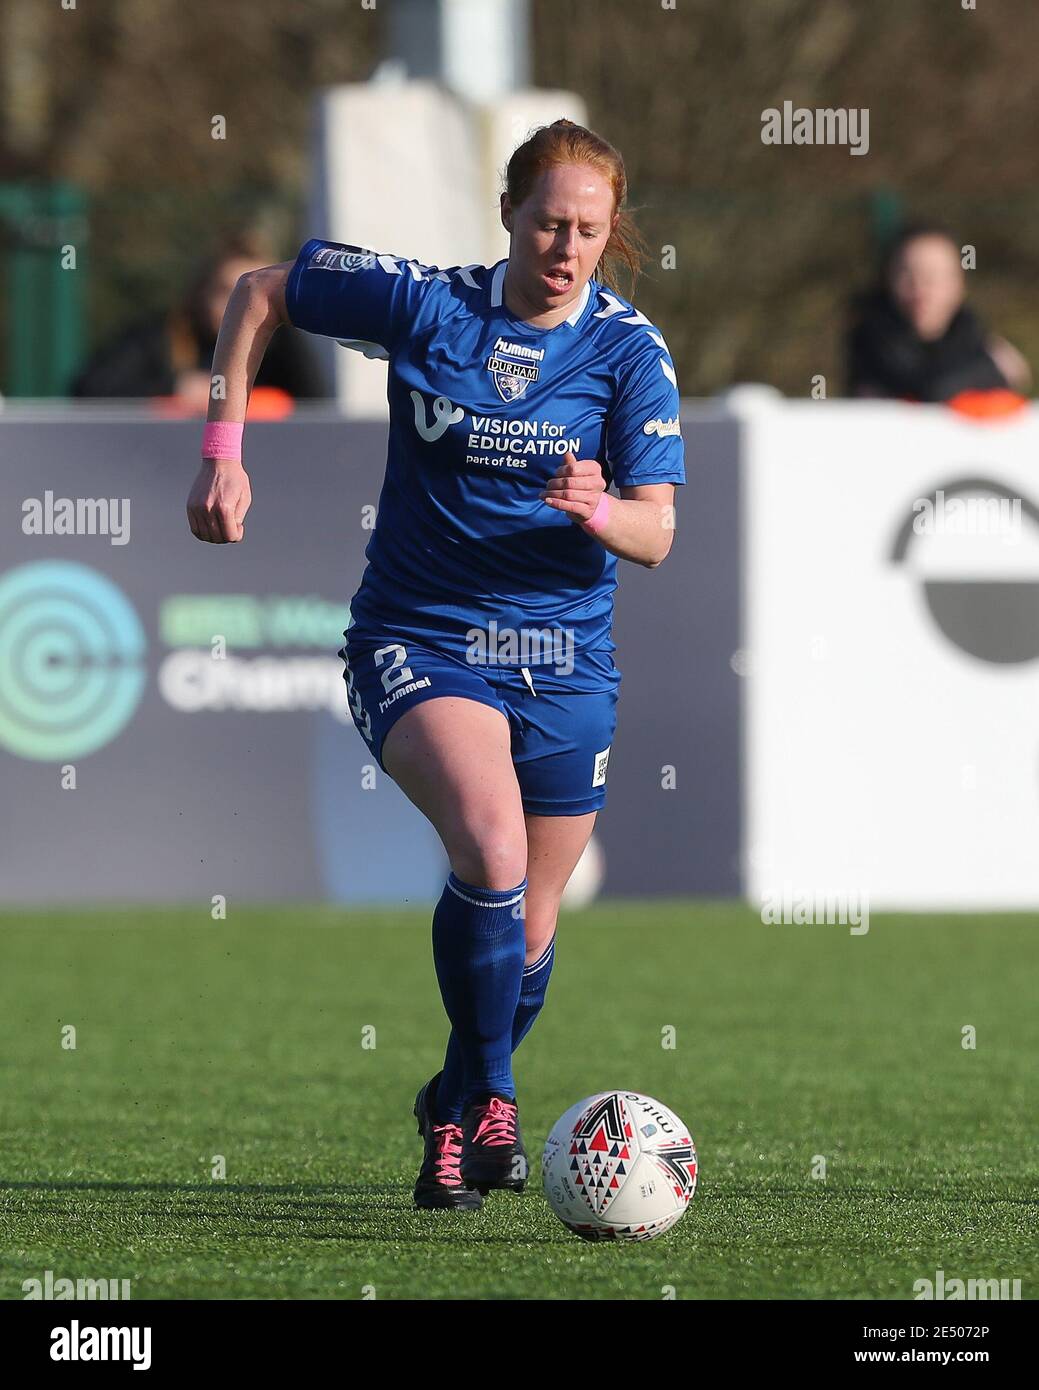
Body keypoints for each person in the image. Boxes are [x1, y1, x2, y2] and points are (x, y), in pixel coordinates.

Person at [185, 119, 685, 1211]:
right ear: (507, 211)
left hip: (561, 657)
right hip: (421, 636)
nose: (565, 247)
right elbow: (261, 294)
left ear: (611, 235)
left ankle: (449, 1108)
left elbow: (656, 532)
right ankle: (495, 1098)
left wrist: (598, 506)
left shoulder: (628, 353)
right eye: (548, 221)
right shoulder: (427, 304)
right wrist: (223, 453)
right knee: (491, 844)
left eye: (588, 230)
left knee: (533, 925)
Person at [72, 232, 328, 405]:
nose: (241, 306)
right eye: (227, 291)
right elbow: (90, 391)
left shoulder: (283, 345)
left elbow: (316, 407)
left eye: (258, 296)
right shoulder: (158, 336)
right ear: (201, 292)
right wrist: (175, 387)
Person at [845, 222, 1030, 402]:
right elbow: (932, 391)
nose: (920, 289)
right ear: (888, 281)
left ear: (959, 284)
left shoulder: (973, 334)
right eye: (907, 275)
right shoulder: (870, 341)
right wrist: (992, 369)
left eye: (933, 276)